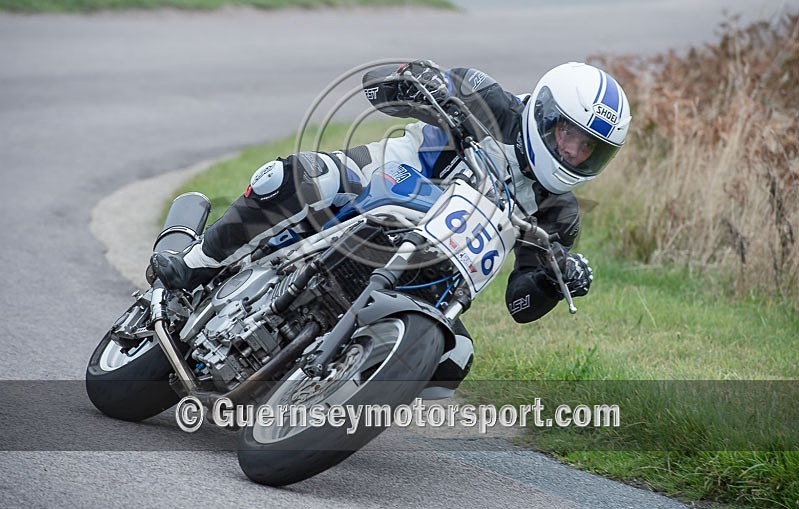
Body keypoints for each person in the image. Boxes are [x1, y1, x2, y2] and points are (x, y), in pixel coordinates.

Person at [151, 60, 631, 324]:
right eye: (568, 134)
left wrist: (555, 278)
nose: (573, 154)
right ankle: (198, 264)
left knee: (453, 360)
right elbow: (375, 87)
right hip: (385, 181)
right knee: (296, 176)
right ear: (545, 113)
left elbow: (519, 305)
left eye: (589, 150)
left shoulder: (559, 214)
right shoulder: (490, 100)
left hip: (435, 267)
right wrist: (419, 84)